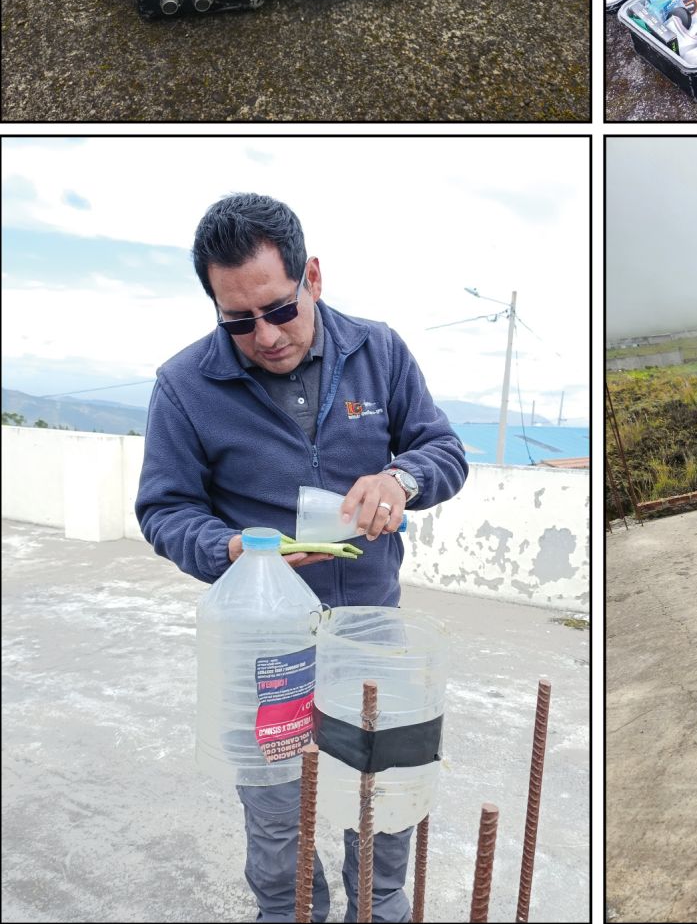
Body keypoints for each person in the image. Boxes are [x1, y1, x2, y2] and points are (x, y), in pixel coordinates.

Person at [135, 193, 468, 923]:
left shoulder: (377, 351)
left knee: (380, 812)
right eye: (237, 320)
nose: (264, 335)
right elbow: (163, 508)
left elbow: (443, 450)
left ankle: (375, 912)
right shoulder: (184, 385)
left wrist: (400, 478)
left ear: (311, 274)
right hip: (265, 648)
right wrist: (229, 549)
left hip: (372, 637)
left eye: (280, 308)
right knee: (279, 824)